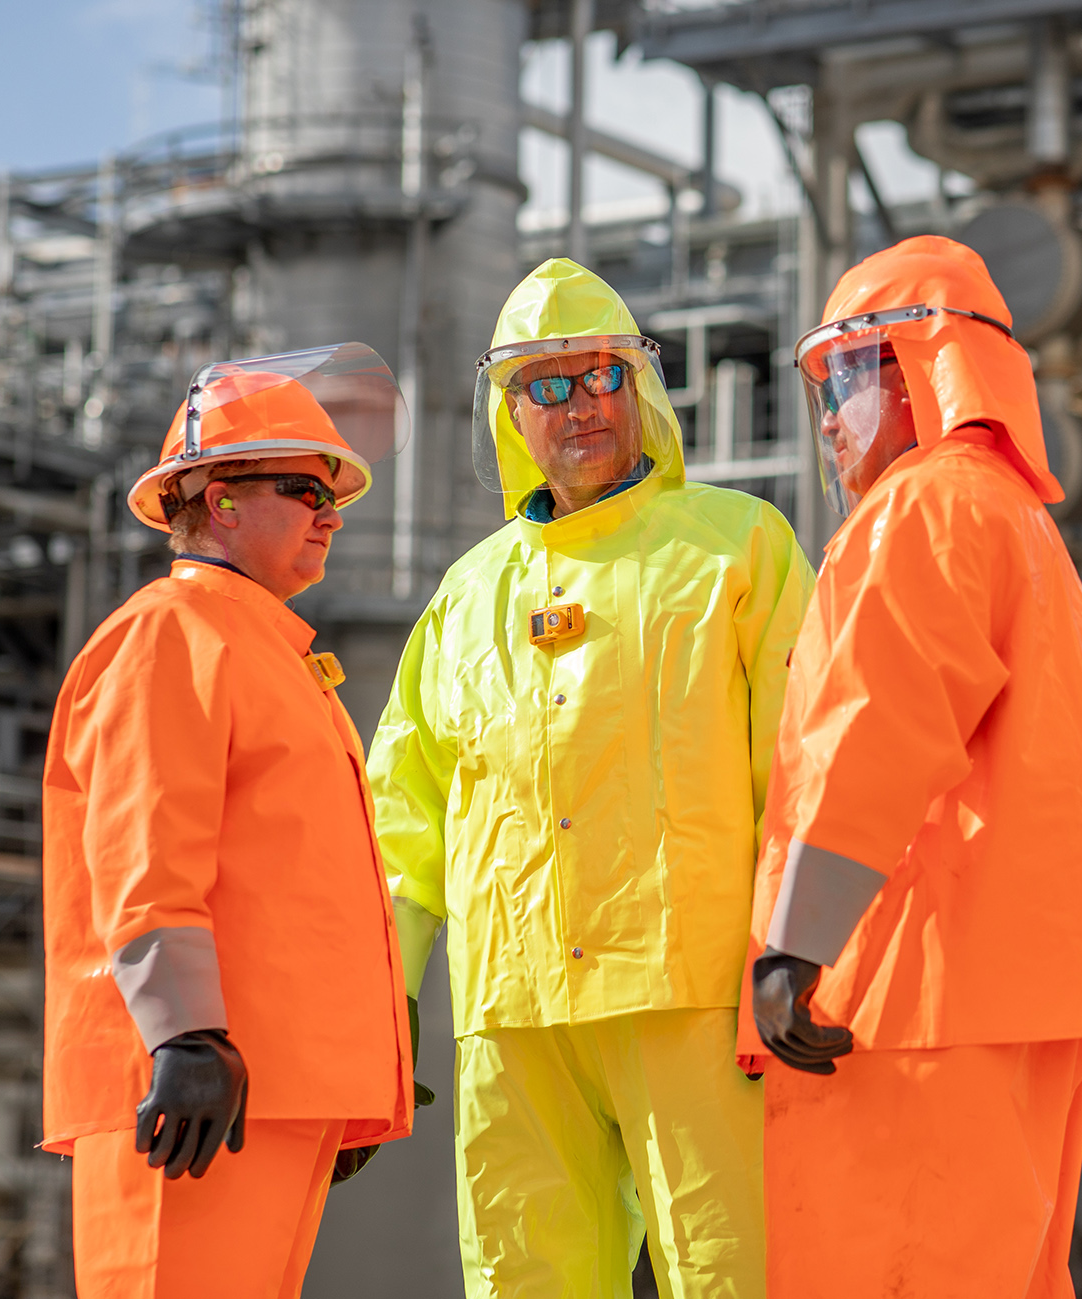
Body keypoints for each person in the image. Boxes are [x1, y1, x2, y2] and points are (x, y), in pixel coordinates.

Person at [368, 258, 812, 1296]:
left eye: (601, 375)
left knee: (733, 1271)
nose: (581, 406)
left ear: (642, 388)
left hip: (691, 998)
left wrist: (794, 946)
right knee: (524, 1280)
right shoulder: (463, 600)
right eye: (548, 386)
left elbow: (798, 767)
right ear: (507, 411)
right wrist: (381, 997)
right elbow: (401, 821)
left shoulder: (737, 550)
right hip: (510, 1014)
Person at [740, 235, 1082, 1297]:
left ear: (918, 365)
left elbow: (877, 732)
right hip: (1014, 998)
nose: (826, 418)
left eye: (840, 379)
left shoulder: (918, 512)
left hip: (912, 997)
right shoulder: (1016, 522)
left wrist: (795, 945)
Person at [41, 344, 415, 1298]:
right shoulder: (171, 633)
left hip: (268, 1092)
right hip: (196, 1085)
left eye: (334, 495)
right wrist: (184, 1036)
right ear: (216, 496)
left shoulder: (268, 653)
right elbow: (144, 850)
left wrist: (353, 1077)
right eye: (304, 487)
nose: (330, 515)